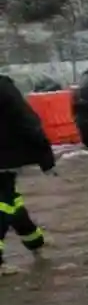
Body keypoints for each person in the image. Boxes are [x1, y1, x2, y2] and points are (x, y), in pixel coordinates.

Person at [0, 73, 55, 275]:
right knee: (4, 203)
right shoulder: (3, 87)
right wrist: (44, 154)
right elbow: (26, 120)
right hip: (5, 157)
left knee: (10, 200)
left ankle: (34, 241)